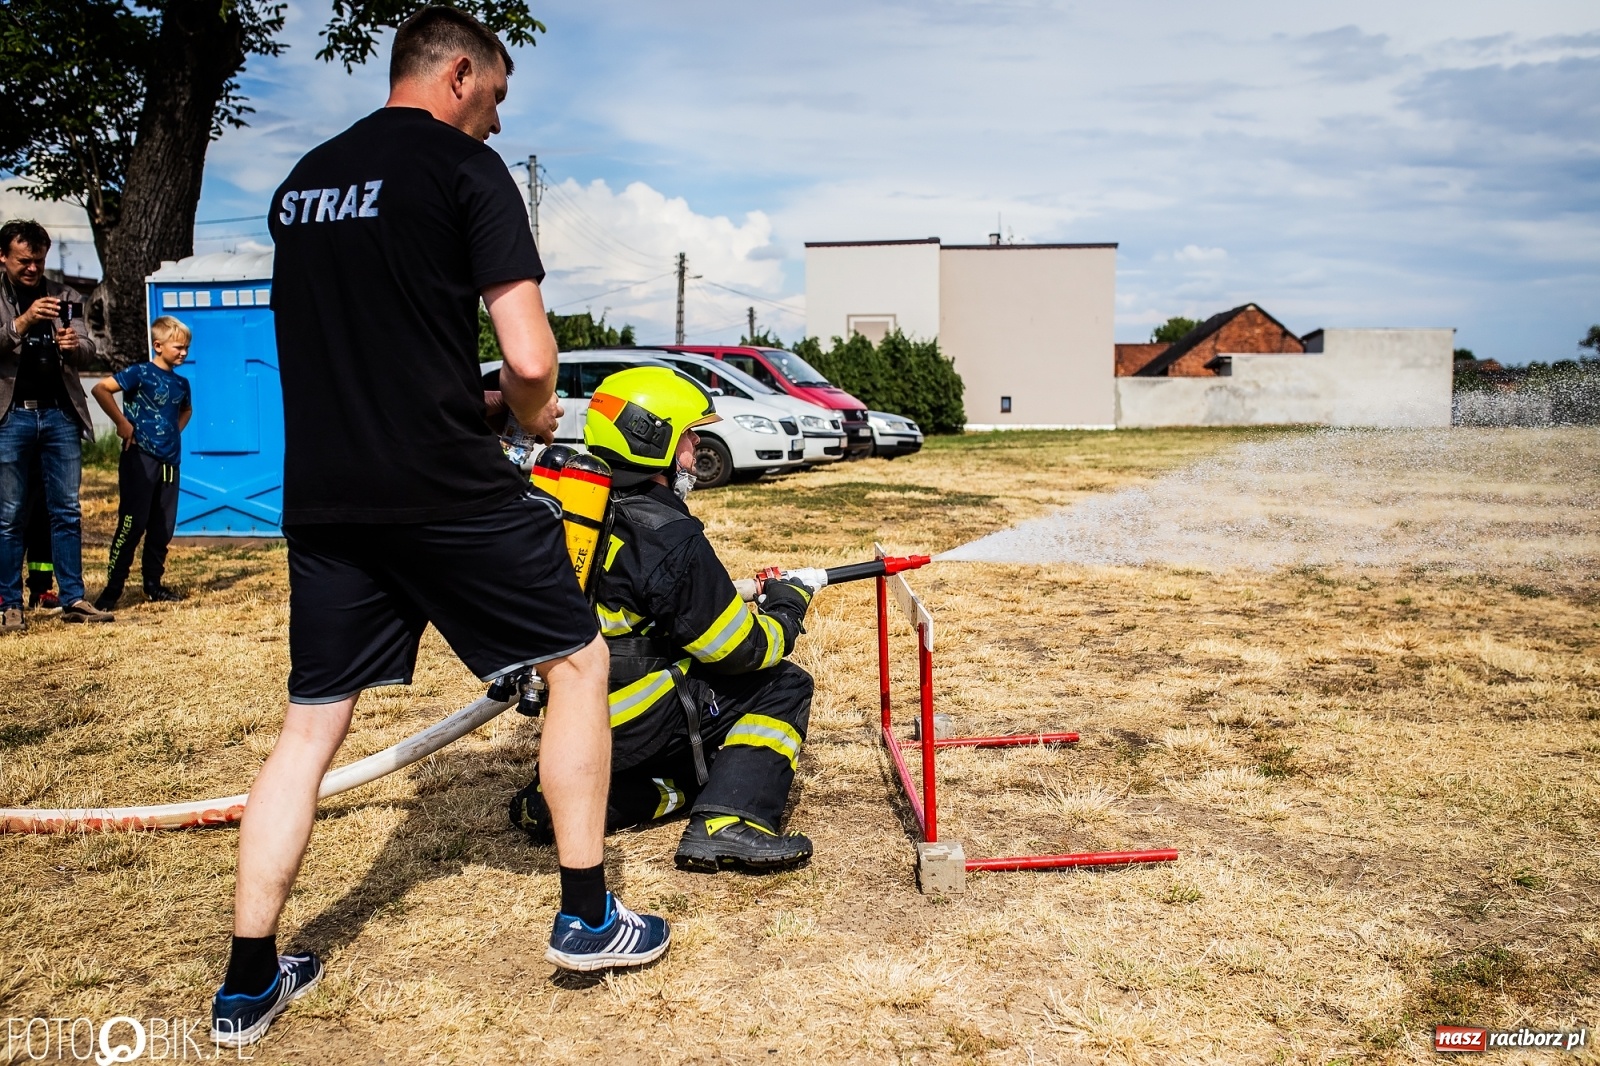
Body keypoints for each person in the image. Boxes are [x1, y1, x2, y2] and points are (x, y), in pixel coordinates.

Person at [211, 7, 667, 1049]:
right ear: (459, 71)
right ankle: (589, 914)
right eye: (496, 99)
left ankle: (245, 981)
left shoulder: (301, 186)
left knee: (309, 727)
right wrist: (530, 412)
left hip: (325, 495)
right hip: (445, 489)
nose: (497, 125)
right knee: (579, 662)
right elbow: (534, 355)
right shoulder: (465, 174)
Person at [509, 367, 820, 872]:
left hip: (572, 714)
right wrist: (788, 604)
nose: (696, 446)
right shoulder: (668, 535)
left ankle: (568, 800)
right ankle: (728, 823)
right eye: (689, 434)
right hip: (632, 717)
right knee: (783, 684)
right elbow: (740, 651)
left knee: (691, 751)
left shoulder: (579, 503)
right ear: (652, 439)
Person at [0, 218, 114, 630]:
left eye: (39, 260)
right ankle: (9, 603)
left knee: (66, 510)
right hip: (11, 415)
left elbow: (89, 348)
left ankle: (74, 599)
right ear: (3, 257)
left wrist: (74, 346)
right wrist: (24, 322)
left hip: (59, 414)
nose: (32, 268)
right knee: (10, 513)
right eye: (24, 261)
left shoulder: (65, 295)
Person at [91, 316, 193, 609]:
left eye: (187, 347)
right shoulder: (140, 373)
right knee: (133, 523)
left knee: (163, 527)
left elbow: (186, 410)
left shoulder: (182, 383)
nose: (184, 352)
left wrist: (172, 432)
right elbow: (101, 389)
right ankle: (112, 591)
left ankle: (153, 585)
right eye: (178, 347)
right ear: (158, 345)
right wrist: (123, 424)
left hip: (170, 462)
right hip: (140, 458)